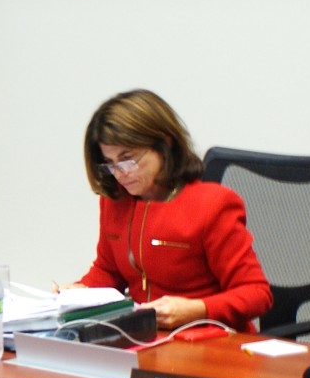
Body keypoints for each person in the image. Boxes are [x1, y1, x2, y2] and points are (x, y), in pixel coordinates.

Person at [61, 89, 272, 333]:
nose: (120, 173)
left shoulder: (213, 205)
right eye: (110, 164)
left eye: (128, 159)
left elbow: (257, 293)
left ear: (164, 144)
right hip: (144, 338)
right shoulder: (115, 201)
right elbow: (109, 270)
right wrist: (80, 292)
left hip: (209, 340)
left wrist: (198, 309)